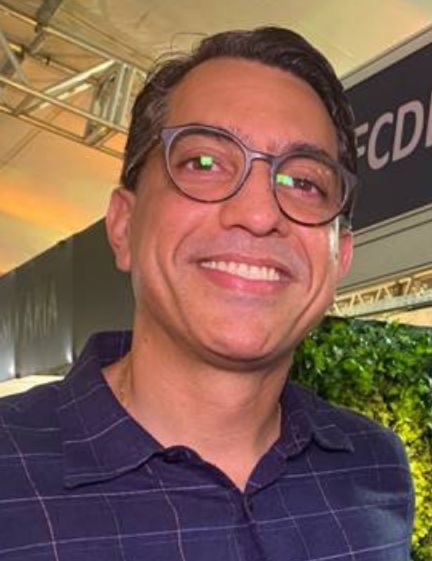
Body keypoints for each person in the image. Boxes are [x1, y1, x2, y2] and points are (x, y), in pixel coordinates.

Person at [0, 27, 414, 561]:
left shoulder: (374, 467)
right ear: (123, 225)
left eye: (304, 183)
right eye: (204, 163)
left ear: (340, 259)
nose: (259, 214)